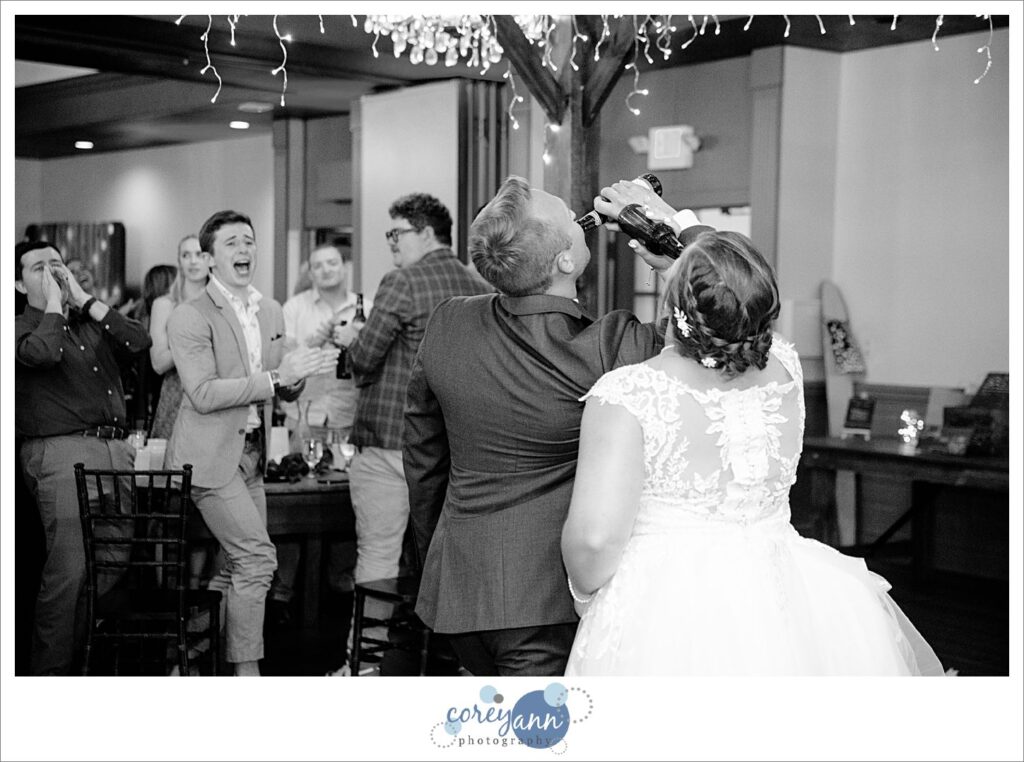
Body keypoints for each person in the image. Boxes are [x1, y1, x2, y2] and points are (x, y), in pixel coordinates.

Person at [561, 220, 945, 675]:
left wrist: (588, 598)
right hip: (787, 589)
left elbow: (595, 539)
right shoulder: (785, 366)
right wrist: (693, 266)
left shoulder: (628, 394)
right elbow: (733, 301)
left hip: (667, 608)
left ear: (673, 305)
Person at [402, 176, 709, 676]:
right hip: (547, 600)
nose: (581, 217)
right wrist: (673, 246)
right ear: (565, 260)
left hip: (459, 591)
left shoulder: (448, 322)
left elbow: (423, 462)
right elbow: (712, 320)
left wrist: (437, 562)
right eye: (571, 216)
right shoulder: (612, 346)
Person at [165, 210, 338, 676]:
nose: (245, 251)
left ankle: (186, 654)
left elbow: (282, 384)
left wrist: (300, 373)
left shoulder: (271, 310)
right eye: (232, 244)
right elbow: (202, 393)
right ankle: (246, 674)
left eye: (250, 241)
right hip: (208, 457)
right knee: (259, 559)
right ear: (209, 258)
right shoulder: (189, 315)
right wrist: (278, 376)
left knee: (245, 565)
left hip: (253, 454)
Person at [329, 192, 490, 675]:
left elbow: (364, 359)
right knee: (445, 561)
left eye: (396, 233)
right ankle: (454, 665)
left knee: (378, 555)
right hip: (449, 448)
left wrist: (347, 341)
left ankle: (366, 666)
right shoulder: (477, 282)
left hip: (387, 440)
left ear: (425, 233)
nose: (391, 243)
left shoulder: (401, 281)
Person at [15, 240, 152, 675]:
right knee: (69, 572)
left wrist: (86, 301)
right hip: (61, 451)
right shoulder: (20, 326)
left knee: (111, 561)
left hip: (115, 450)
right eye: (39, 268)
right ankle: (49, 680)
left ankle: (80, 666)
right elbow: (42, 354)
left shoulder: (90, 323)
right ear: (19, 283)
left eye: (57, 265)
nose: (52, 273)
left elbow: (139, 341)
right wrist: (54, 306)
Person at [268, 243, 365, 626]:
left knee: (345, 500)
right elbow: (283, 363)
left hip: (346, 415)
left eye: (332, 263)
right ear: (309, 270)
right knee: (294, 502)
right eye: (318, 265)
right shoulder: (294, 308)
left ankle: (340, 589)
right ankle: (284, 592)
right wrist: (319, 337)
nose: (325, 270)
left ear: (345, 267)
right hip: (304, 414)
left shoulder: (364, 306)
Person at [148, 235, 210, 439]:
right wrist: (191, 340)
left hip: (214, 396)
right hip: (177, 396)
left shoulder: (222, 304)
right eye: (186, 255)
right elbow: (158, 363)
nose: (193, 261)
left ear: (210, 259)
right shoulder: (165, 304)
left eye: (199, 254)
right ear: (179, 262)